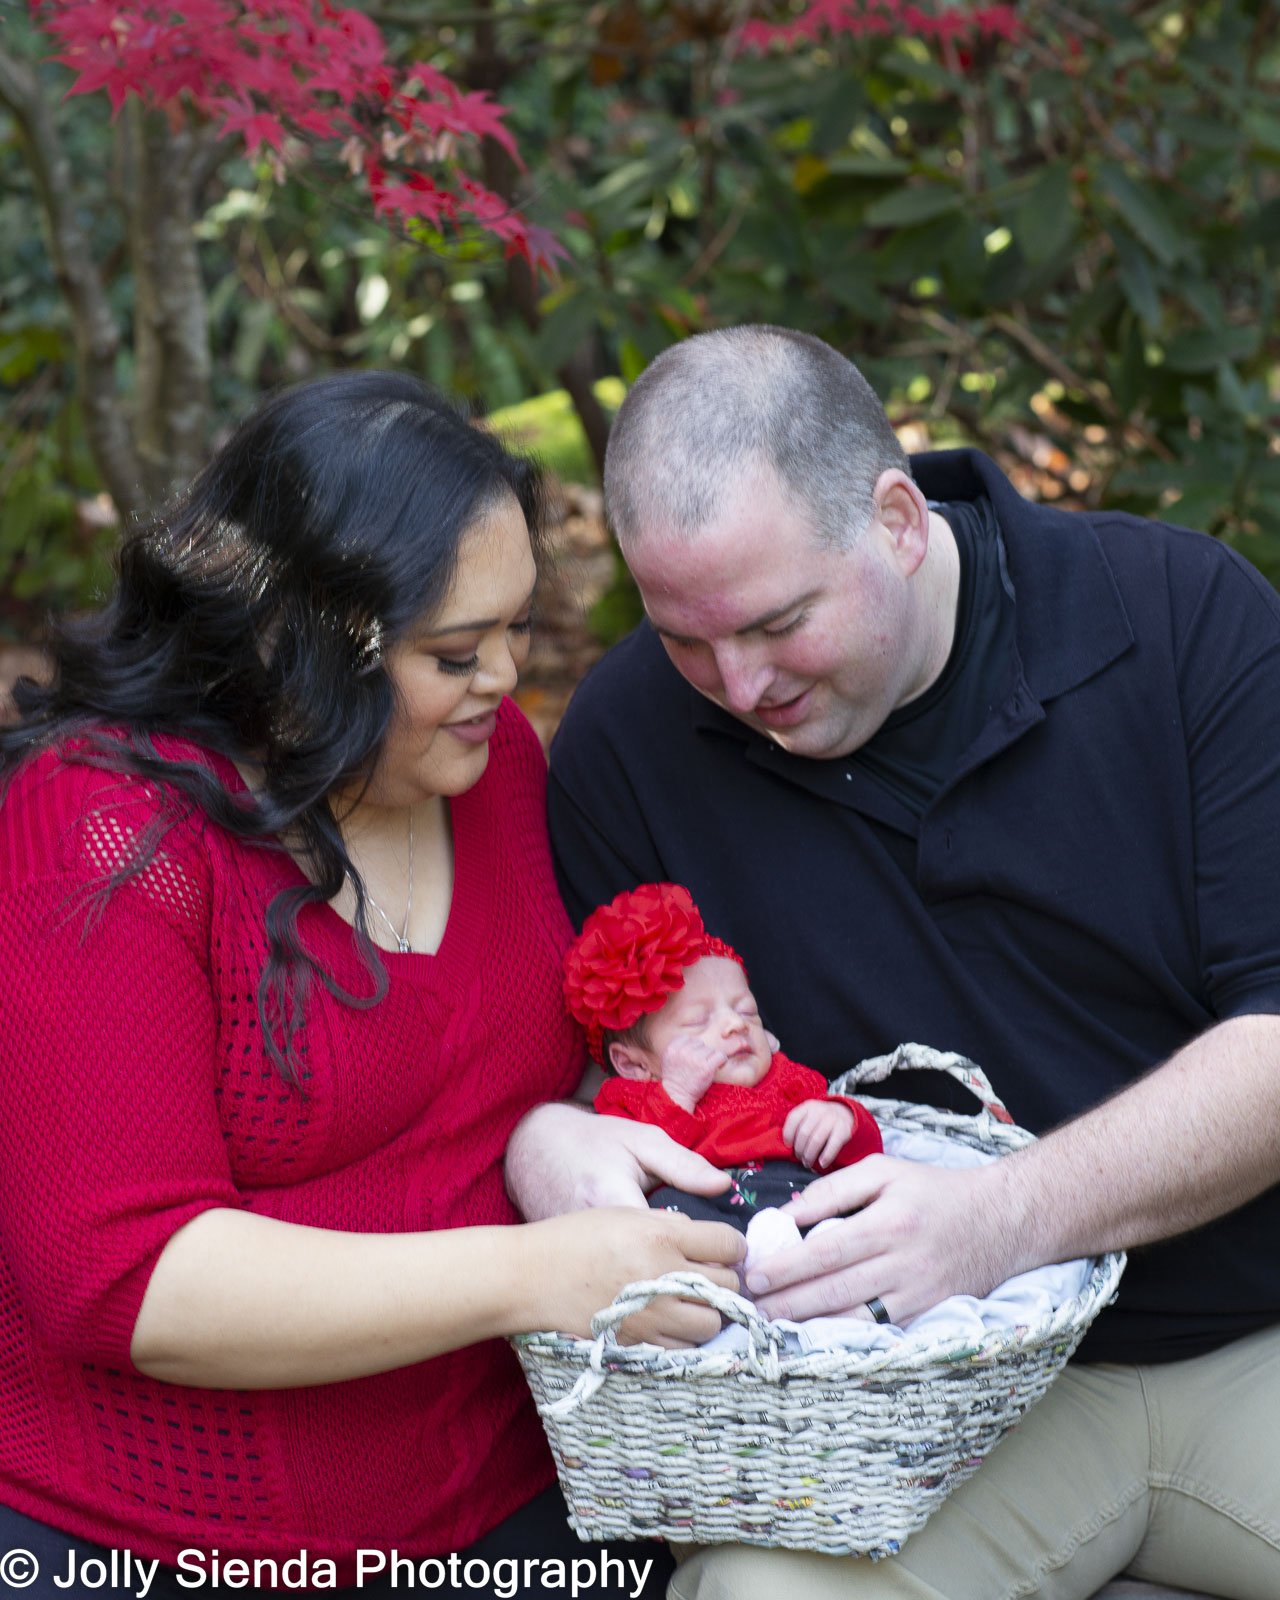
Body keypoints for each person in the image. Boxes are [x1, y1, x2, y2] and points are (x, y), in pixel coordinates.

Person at [505, 327, 1280, 1600]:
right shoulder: (632, 740)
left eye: (776, 622)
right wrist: (553, 1137)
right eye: (685, 639)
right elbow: (629, 1083)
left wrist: (1002, 1217)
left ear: (897, 517)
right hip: (904, 1424)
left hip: (1247, 1333)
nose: (737, 683)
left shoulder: (1180, 619)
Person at [0, 372, 746, 1600]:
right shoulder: (107, 830)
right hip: (158, 1540)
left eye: (516, 629)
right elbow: (122, 1276)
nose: (508, 676)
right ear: (291, 637)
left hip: (518, 1506)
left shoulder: (486, 759)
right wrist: (534, 1274)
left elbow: (500, 1077)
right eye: (457, 650)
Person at [563, 881, 882, 1227]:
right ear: (634, 1064)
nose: (735, 1024)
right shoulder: (633, 1101)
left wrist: (840, 1119)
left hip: (799, 1201)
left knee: (856, 1197)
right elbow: (640, 1163)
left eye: (747, 1011)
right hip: (707, 1216)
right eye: (698, 1021)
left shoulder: (784, 1077)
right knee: (668, 1208)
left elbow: (864, 1150)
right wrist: (678, 1094)